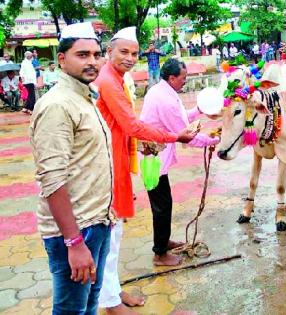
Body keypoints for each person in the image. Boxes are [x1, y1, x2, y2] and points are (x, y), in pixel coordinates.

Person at [94, 27, 197, 315]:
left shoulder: (117, 79)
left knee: (114, 231)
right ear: (109, 52)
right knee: (109, 235)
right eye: (123, 52)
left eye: (134, 53)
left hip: (116, 161)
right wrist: (175, 137)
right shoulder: (109, 82)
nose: (129, 57)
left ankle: (112, 292)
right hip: (107, 163)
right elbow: (132, 126)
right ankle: (110, 301)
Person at [29, 22, 113, 315]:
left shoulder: (85, 98)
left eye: (96, 54)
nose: (92, 61)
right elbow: (52, 180)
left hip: (98, 221)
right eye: (82, 55)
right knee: (71, 310)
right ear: (61, 59)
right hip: (76, 230)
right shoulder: (57, 105)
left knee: (89, 303)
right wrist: (74, 242)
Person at [140, 58, 220, 267]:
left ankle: (164, 242)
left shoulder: (162, 91)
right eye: (183, 78)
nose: (186, 81)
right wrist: (215, 140)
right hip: (153, 161)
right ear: (172, 77)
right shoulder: (165, 99)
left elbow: (182, 117)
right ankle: (160, 254)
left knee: (163, 204)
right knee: (162, 207)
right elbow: (187, 136)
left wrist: (200, 108)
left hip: (156, 157)